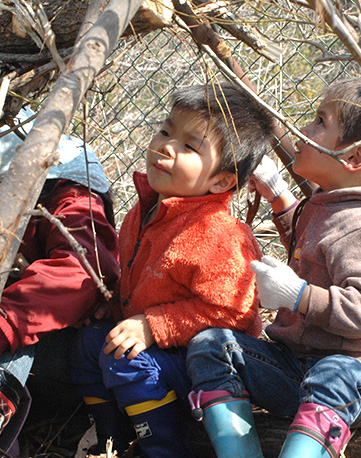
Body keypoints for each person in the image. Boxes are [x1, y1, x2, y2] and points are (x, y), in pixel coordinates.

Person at [185, 78, 361, 458]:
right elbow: (316, 253)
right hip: (300, 368)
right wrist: (279, 197)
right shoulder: (330, 202)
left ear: (353, 159)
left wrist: (299, 296)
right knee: (211, 346)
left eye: (320, 122)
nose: (303, 130)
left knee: (332, 374)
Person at [69, 82, 275, 457]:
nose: (166, 146)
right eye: (165, 131)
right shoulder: (146, 210)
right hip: (157, 356)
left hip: (203, 371)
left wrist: (153, 326)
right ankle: (109, 440)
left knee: (124, 359)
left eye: (189, 146)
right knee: (88, 345)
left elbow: (235, 313)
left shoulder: (218, 233)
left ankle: (164, 447)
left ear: (221, 181)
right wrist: (114, 306)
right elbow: (141, 280)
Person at [0, 106, 121, 458]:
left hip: (67, 356)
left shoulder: (73, 198)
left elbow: (79, 273)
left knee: (10, 339)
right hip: (9, 335)